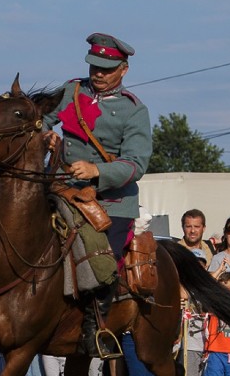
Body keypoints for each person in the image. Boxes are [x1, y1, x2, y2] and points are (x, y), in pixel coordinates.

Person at [42, 32, 152, 359]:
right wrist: (45, 134)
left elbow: (136, 164)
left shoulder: (134, 111)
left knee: (102, 265)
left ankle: (96, 328)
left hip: (111, 203)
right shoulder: (70, 92)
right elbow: (40, 121)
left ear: (124, 69)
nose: (98, 74)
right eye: (95, 66)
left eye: (107, 68)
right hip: (63, 190)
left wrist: (97, 172)